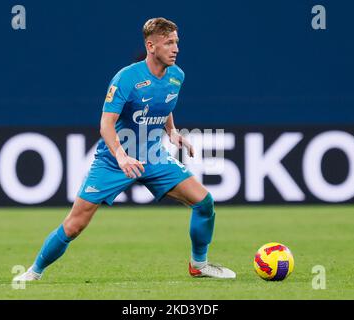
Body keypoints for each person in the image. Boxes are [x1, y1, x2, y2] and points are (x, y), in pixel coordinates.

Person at [14, 17, 235, 281]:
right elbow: (105, 125)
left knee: (204, 202)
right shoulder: (126, 78)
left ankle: (199, 265)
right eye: (168, 43)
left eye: (177, 42)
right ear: (151, 46)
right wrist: (121, 155)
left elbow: (164, 105)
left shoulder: (177, 76)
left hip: (153, 157)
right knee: (75, 225)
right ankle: (33, 272)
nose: (175, 48)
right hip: (113, 161)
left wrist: (172, 131)